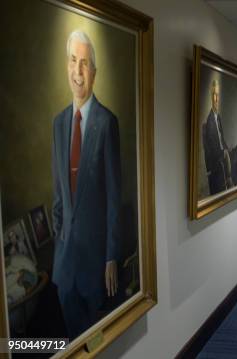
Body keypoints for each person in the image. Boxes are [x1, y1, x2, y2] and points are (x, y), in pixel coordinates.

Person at [51, 30, 121, 339]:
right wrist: (60, 242)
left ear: (94, 72)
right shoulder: (58, 123)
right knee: (70, 343)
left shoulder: (107, 123)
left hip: (96, 267)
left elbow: (114, 199)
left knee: (95, 344)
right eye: (73, 61)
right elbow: (58, 194)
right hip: (64, 268)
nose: (78, 72)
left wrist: (110, 256)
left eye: (85, 63)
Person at [203, 80, 234, 195]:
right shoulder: (209, 121)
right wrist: (224, 152)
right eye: (214, 95)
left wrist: (227, 148)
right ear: (211, 97)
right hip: (217, 164)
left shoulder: (218, 117)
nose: (216, 99)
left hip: (223, 158)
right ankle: (229, 180)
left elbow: (222, 139)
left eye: (218, 95)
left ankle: (232, 182)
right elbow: (213, 151)